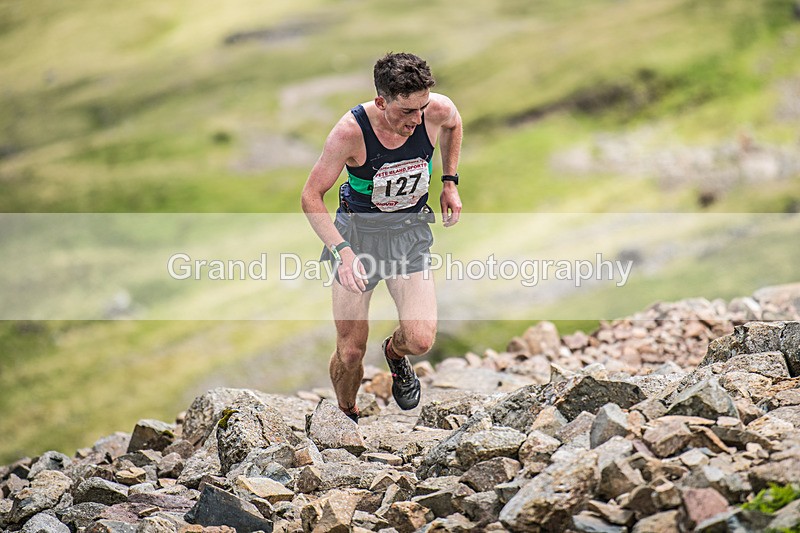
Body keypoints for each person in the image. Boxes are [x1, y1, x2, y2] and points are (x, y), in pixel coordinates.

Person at [301, 52, 463, 422]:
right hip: (357, 239)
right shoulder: (350, 132)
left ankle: (394, 353)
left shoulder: (435, 110)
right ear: (381, 101)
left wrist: (449, 183)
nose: (417, 119)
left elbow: (453, 125)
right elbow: (311, 195)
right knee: (351, 352)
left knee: (420, 340)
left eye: (421, 108)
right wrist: (341, 251)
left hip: (408, 234)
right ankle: (345, 416)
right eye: (406, 111)